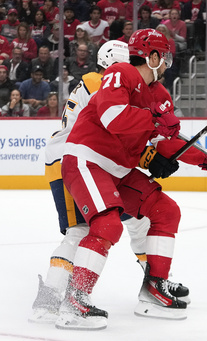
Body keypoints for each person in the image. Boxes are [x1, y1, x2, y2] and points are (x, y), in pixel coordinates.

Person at [55, 28, 207, 330]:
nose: (167, 63)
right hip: (86, 160)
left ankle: (154, 288)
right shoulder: (121, 72)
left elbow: (167, 142)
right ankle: (74, 301)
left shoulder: (160, 94)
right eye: (164, 56)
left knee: (166, 211)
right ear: (152, 56)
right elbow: (112, 117)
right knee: (107, 225)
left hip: (118, 169)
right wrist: (154, 119)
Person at [29, 40, 189, 324]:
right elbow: (114, 124)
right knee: (81, 230)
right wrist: (150, 147)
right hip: (74, 158)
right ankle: (51, 298)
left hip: (101, 162)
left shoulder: (111, 80)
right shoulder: (104, 81)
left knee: (141, 222)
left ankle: (155, 280)